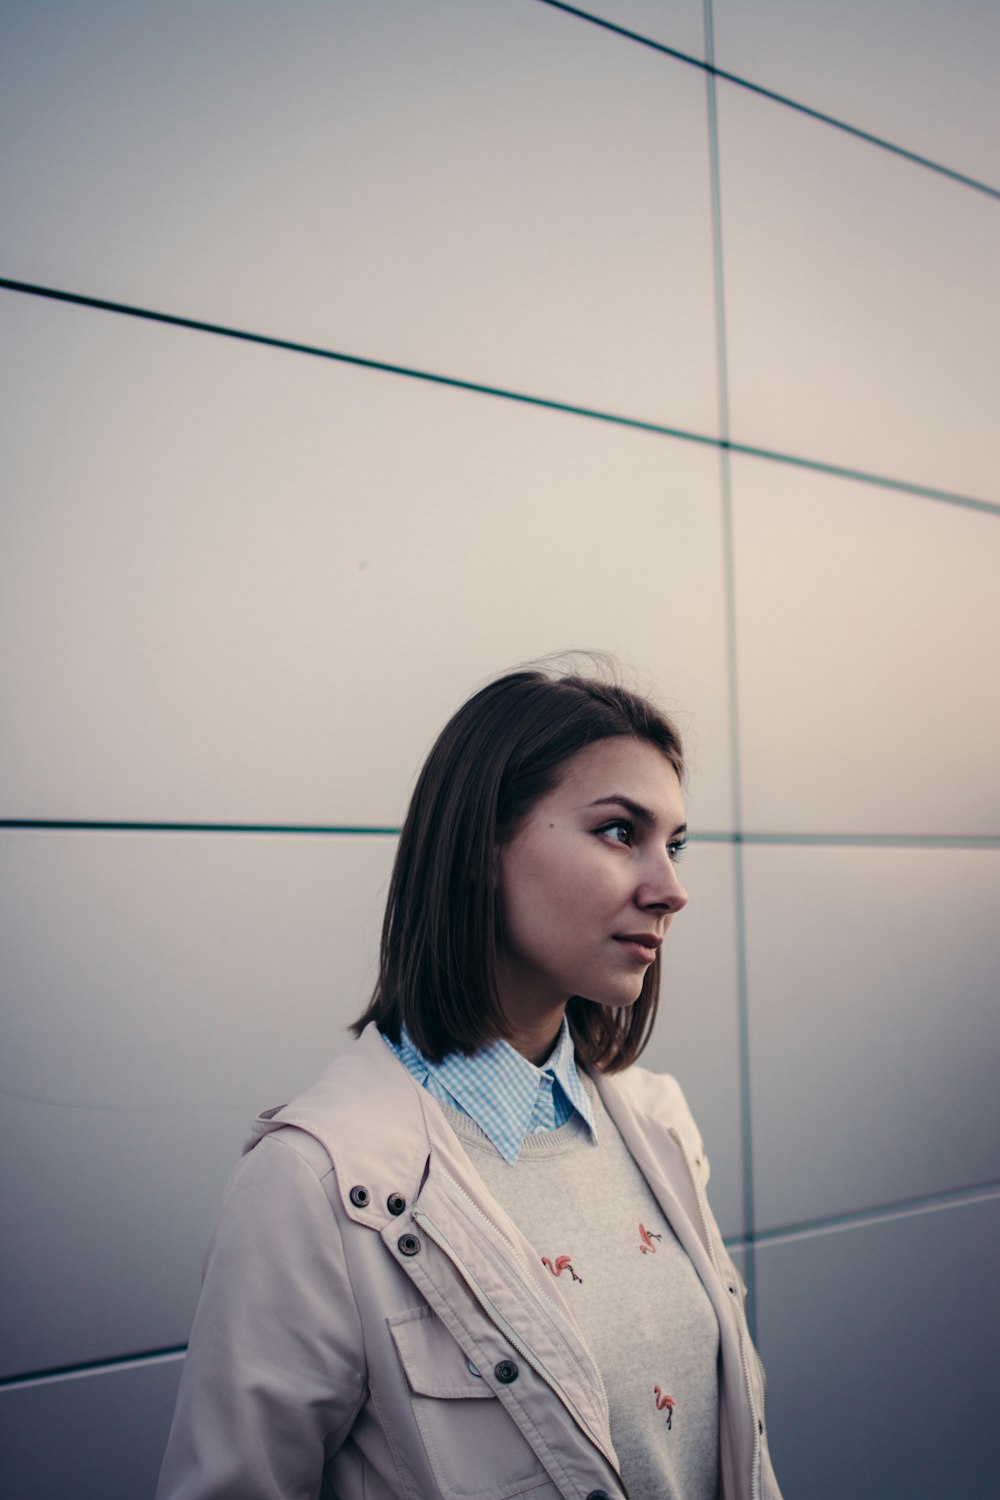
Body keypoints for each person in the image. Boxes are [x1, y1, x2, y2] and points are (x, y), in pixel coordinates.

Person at [157, 664, 781, 1500]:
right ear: (483, 848)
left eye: (674, 842)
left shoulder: (660, 1123)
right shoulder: (315, 1183)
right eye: (619, 832)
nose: (671, 889)